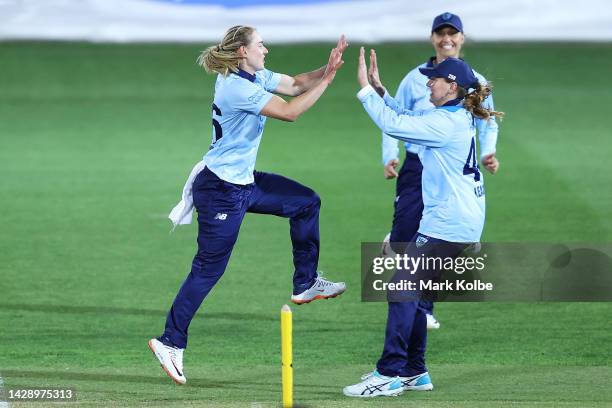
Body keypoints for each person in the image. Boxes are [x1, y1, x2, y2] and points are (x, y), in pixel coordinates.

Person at [149, 25, 348, 385]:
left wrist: (325, 68)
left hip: (244, 183)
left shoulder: (252, 74)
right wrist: (329, 82)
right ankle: (170, 342)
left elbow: (295, 85)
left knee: (305, 202)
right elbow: (290, 112)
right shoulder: (238, 87)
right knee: (208, 269)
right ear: (242, 51)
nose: (266, 49)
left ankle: (305, 283)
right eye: (260, 44)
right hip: (221, 190)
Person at [343, 48, 503, 397]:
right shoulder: (453, 114)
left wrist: (365, 91)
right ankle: (415, 371)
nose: (427, 82)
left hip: (447, 225)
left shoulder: (445, 123)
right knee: (411, 293)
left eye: (434, 78)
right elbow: (408, 119)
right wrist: (383, 92)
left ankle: (389, 373)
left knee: (401, 289)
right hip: (457, 221)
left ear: (452, 85)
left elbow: (393, 125)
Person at [375, 12, 500, 330]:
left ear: (462, 38)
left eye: (452, 33)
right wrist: (390, 155)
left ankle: (423, 308)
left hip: (450, 167)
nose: (447, 39)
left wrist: (488, 152)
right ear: (433, 38)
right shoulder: (415, 78)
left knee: (434, 243)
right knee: (407, 235)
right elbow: (397, 116)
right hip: (417, 165)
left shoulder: (475, 81)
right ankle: (401, 252)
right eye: (440, 33)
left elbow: (487, 120)